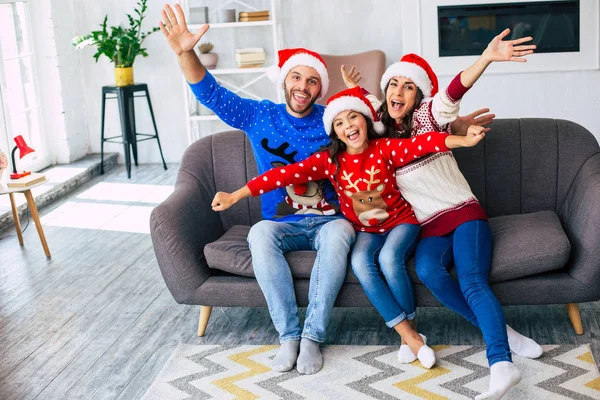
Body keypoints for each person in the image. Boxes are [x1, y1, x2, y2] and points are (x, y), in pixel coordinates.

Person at [212, 86, 488, 370]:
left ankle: (409, 335)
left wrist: (461, 141)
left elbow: (424, 144)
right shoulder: (329, 161)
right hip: (366, 231)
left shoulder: (385, 148)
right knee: (359, 261)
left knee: (389, 259)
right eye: (339, 123)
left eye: (353, 118)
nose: (348, 127)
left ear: (366, 121)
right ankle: (410, 336)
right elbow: (284, 174)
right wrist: (237, 195)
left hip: (400, 223)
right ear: (334, 132)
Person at [343, 29, 543, 399]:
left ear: (418, 95)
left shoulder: (428, 117)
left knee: (471, 281)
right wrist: (354, 91)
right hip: (429, 228)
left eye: (408, 87)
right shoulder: (381, 137)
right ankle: (503, 331)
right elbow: (358, 115)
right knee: (428, 272)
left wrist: (484, 58)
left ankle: (500, 362)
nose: (398, 92)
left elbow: (451, 93)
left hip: (464, 214)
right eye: (394, 85)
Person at [160, 4, 356, 375]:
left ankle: (313, 337)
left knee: (342, 232)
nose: (303, 86)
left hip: (330, 220)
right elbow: (210, 94)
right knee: (259, 233)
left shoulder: (333, 119)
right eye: (296, 77)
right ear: (284, 80)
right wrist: (185, 52)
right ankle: (288, 336)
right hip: (281, 223)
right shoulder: (258, 114)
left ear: (320, 89)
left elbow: (374, 134)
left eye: (312, 81)